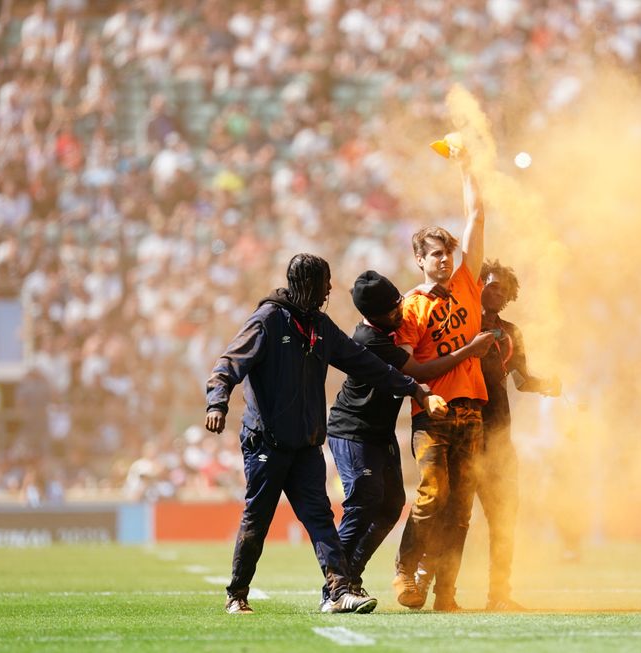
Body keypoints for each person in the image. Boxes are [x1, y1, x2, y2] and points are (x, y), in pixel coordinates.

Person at [205, 253, 447, 615]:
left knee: (321, 519)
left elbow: (365, 363)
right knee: (258, 519)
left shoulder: (319, 325)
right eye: (323, 284)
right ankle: (237, 594)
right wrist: (216, 402)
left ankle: (338, 590)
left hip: (306, 444)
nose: (329, 290)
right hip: (266, 444)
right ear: (305, 285)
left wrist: (412, 387)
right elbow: (228, 364)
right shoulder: (267, 321)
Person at [325, 270, 494, 602]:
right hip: (353, 430)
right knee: (365, 502)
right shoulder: (369, 340)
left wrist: (423, 289)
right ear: (371, 316)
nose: (399, 312)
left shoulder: (389, 327)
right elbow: (416, 372)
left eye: (399, 304)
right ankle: (334, 587)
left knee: (391, 507)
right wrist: (468, 351)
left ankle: (351, 577)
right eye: (391, 311)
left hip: (379, 432)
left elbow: (407, 311)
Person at [416, 259, 559, 610]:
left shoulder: (512, 333)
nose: (495, 292)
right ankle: (442, 595)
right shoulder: (461, 324)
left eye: (503, 289)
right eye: (490, 285)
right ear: (477, 286)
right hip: (463, 433)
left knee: (504, 517)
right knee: (455, 519)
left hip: (499, 439)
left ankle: (499, 595)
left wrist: (547, 384)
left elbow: (521, 380)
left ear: (509, 297)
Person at [391, 136, 488, 612]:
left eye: (447, 251)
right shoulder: (411, 305)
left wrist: (467, 167)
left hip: (472, 411)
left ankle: (445, 593)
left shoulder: (468, 283)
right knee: (432, 497)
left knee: (461, 512)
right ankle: (406, 572)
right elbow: (407, 366)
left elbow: (477, 217)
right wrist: (467, 351)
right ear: (419, 260)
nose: (444, 259)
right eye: (434, 254)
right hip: (432, 412)